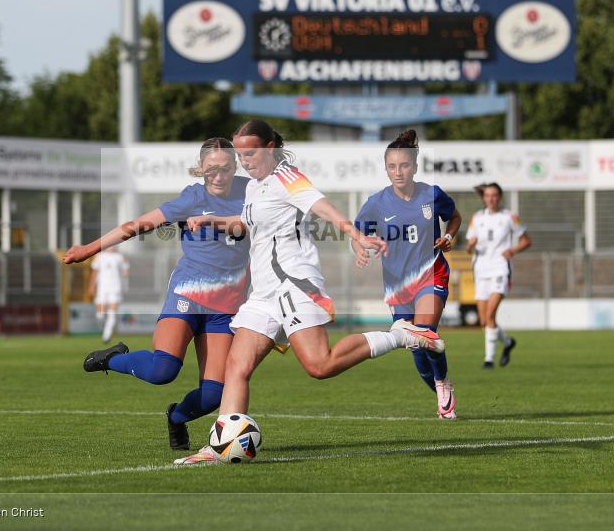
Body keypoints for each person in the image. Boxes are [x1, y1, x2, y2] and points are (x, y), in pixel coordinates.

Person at [174, 120, 444, 465]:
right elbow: (249, 225)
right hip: (264, 293)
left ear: (270, 148)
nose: (244, 160)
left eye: (250, 152)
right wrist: (212, 221)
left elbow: (321, 206)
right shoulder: (255, 187)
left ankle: (399, 334)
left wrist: (354, 233)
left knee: (320, 365)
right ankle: (219, 448)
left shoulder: (288, 177)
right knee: (236, 368)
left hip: (294, 284)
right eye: (240, 154)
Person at [63, 138, 250, 451]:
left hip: (226, 307)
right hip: (187, 295)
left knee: (213, 396)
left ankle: (176, 418)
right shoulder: (192, 197)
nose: (218, 175)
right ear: (201, 169)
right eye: (211, 169)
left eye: (226, 168)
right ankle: (113, 359)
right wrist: (89, 249)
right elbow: (136, 225)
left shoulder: (252, 192)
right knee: (163, 370)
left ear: (235, 167)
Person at [354, 130, 462, 420]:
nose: (398, 172)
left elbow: (455, 216)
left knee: (425, 333)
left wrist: (450, 235)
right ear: (386, 169)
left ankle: (442, 386)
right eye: (392, 166)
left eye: (404, 166)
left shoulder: (432, 194)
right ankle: (441, 383)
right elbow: (358, 234)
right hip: (398, 288)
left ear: (414, 167)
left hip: (431, 273)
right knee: (416, 349)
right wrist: (361, 247)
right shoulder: (376, 203)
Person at [466, 182, 532, 369]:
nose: (491, 198)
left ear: (500, 197)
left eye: (495, 195)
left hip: (500, 269)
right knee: (484, 320)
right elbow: (470, 249)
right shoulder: (477, 218)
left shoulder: (509, 217)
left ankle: (488, 359)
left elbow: (527, 240)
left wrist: (513, 250)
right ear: (484, 197)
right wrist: (470, 245)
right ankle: (508, 342)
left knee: (491, 314)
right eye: (488, 195)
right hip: (480, 270)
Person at [88, 245, 129, 343]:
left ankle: (106, 336)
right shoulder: (99, 256)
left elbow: (125, 271)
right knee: (100, 315)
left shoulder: (119, 257)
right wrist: (92, 286)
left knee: (112, 314)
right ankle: (106, 328)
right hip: (102, 289)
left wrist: (125, 269)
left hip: (115, 288)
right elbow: (95, 272)